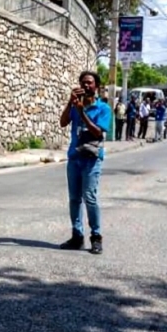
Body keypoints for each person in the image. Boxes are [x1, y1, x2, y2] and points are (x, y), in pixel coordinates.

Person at [59, 71, 113, 255]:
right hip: (74, 158)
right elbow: (62, 122)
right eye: (83, 83)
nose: (86, 86)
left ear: (96, 86)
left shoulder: (103, 108)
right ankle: (77, 236)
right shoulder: (75, 106)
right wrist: (70, 102)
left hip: (91, 159)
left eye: (89, 83)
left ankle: (96, 237)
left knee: (89, 198)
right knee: (74, 199)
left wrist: (82, 112)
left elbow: (98, 133)